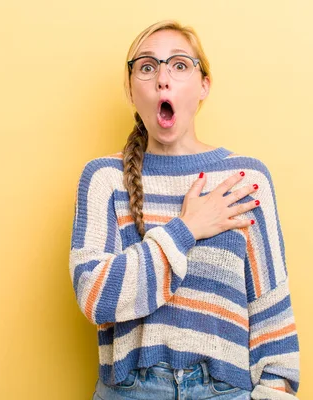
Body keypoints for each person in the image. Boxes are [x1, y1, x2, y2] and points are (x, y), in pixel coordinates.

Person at [69, 20, 300, 400]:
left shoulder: (244, 178)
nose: (163, 78)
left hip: (224, 390)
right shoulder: (104, 179)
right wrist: (187, 228)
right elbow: (96, 298)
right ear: (130, 89)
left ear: (203, 84)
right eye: (147, 66)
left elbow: (270, 307)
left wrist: (276, 390)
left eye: (179, 65)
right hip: (131, 390)